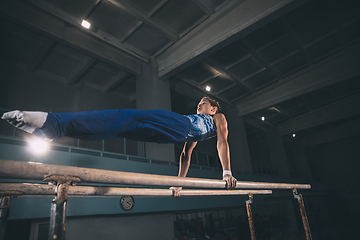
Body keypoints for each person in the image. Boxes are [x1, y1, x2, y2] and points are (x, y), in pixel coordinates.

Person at [1, 97, 237, 195]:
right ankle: (54, 128)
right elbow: (186, 154)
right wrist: (181, 183)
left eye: (203, 104)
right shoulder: (197, 122)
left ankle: (53, 123)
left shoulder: (219, 118)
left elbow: (222, 142)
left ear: (214, 109)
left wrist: (226, 172)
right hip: (173, 131)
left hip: (177, 128)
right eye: (198, 104)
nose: (199, 105)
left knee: (129, 116)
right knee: (119, 125)